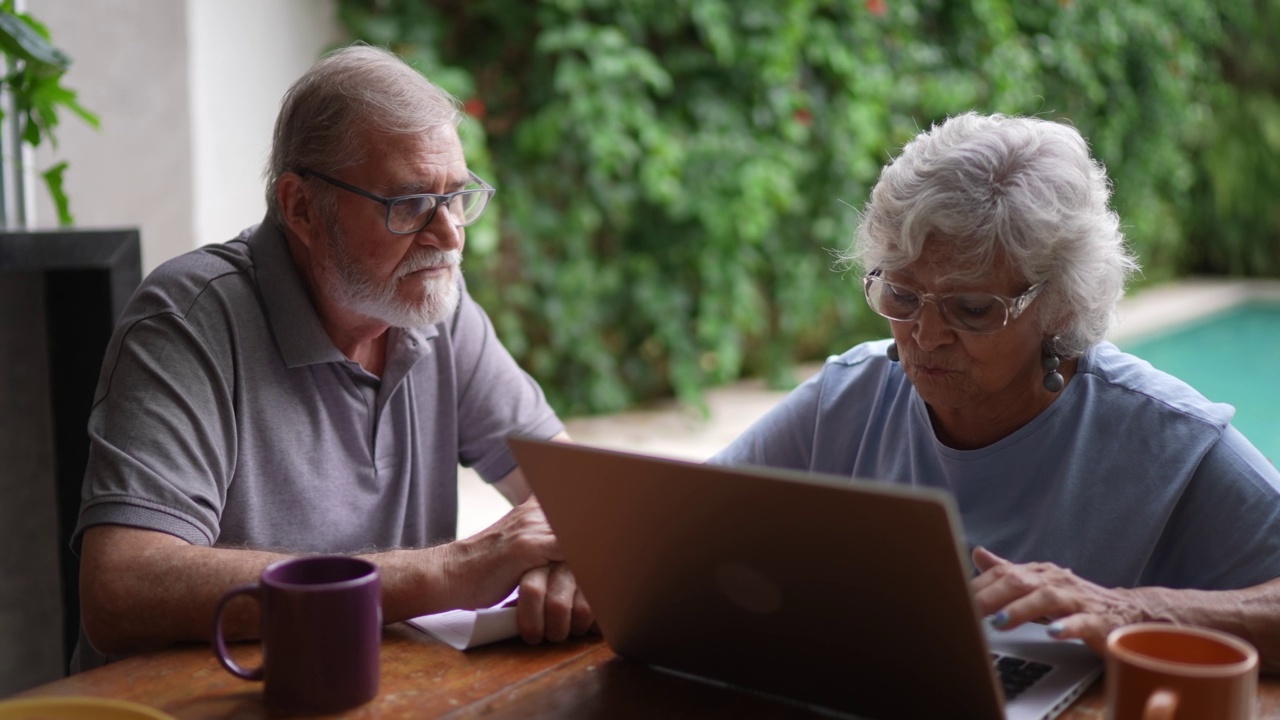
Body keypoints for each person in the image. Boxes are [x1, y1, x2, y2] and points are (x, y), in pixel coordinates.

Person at [71, 45, 591, 672]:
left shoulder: (436, 313)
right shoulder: (188, 322)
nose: (450, 234)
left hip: (372, 690)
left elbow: (578, 496)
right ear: (300, 208)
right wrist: (454, 569)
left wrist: (572, 562)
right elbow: (122, 588)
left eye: (456, 196)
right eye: (409, 203)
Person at [711, 112, 1280, 672]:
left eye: (973, 309)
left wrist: (1132, 610)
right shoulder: (849, 399)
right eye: (903, 297)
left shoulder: (1167, 439)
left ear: (1058, 305)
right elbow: (677, 531)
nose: (927, 336)